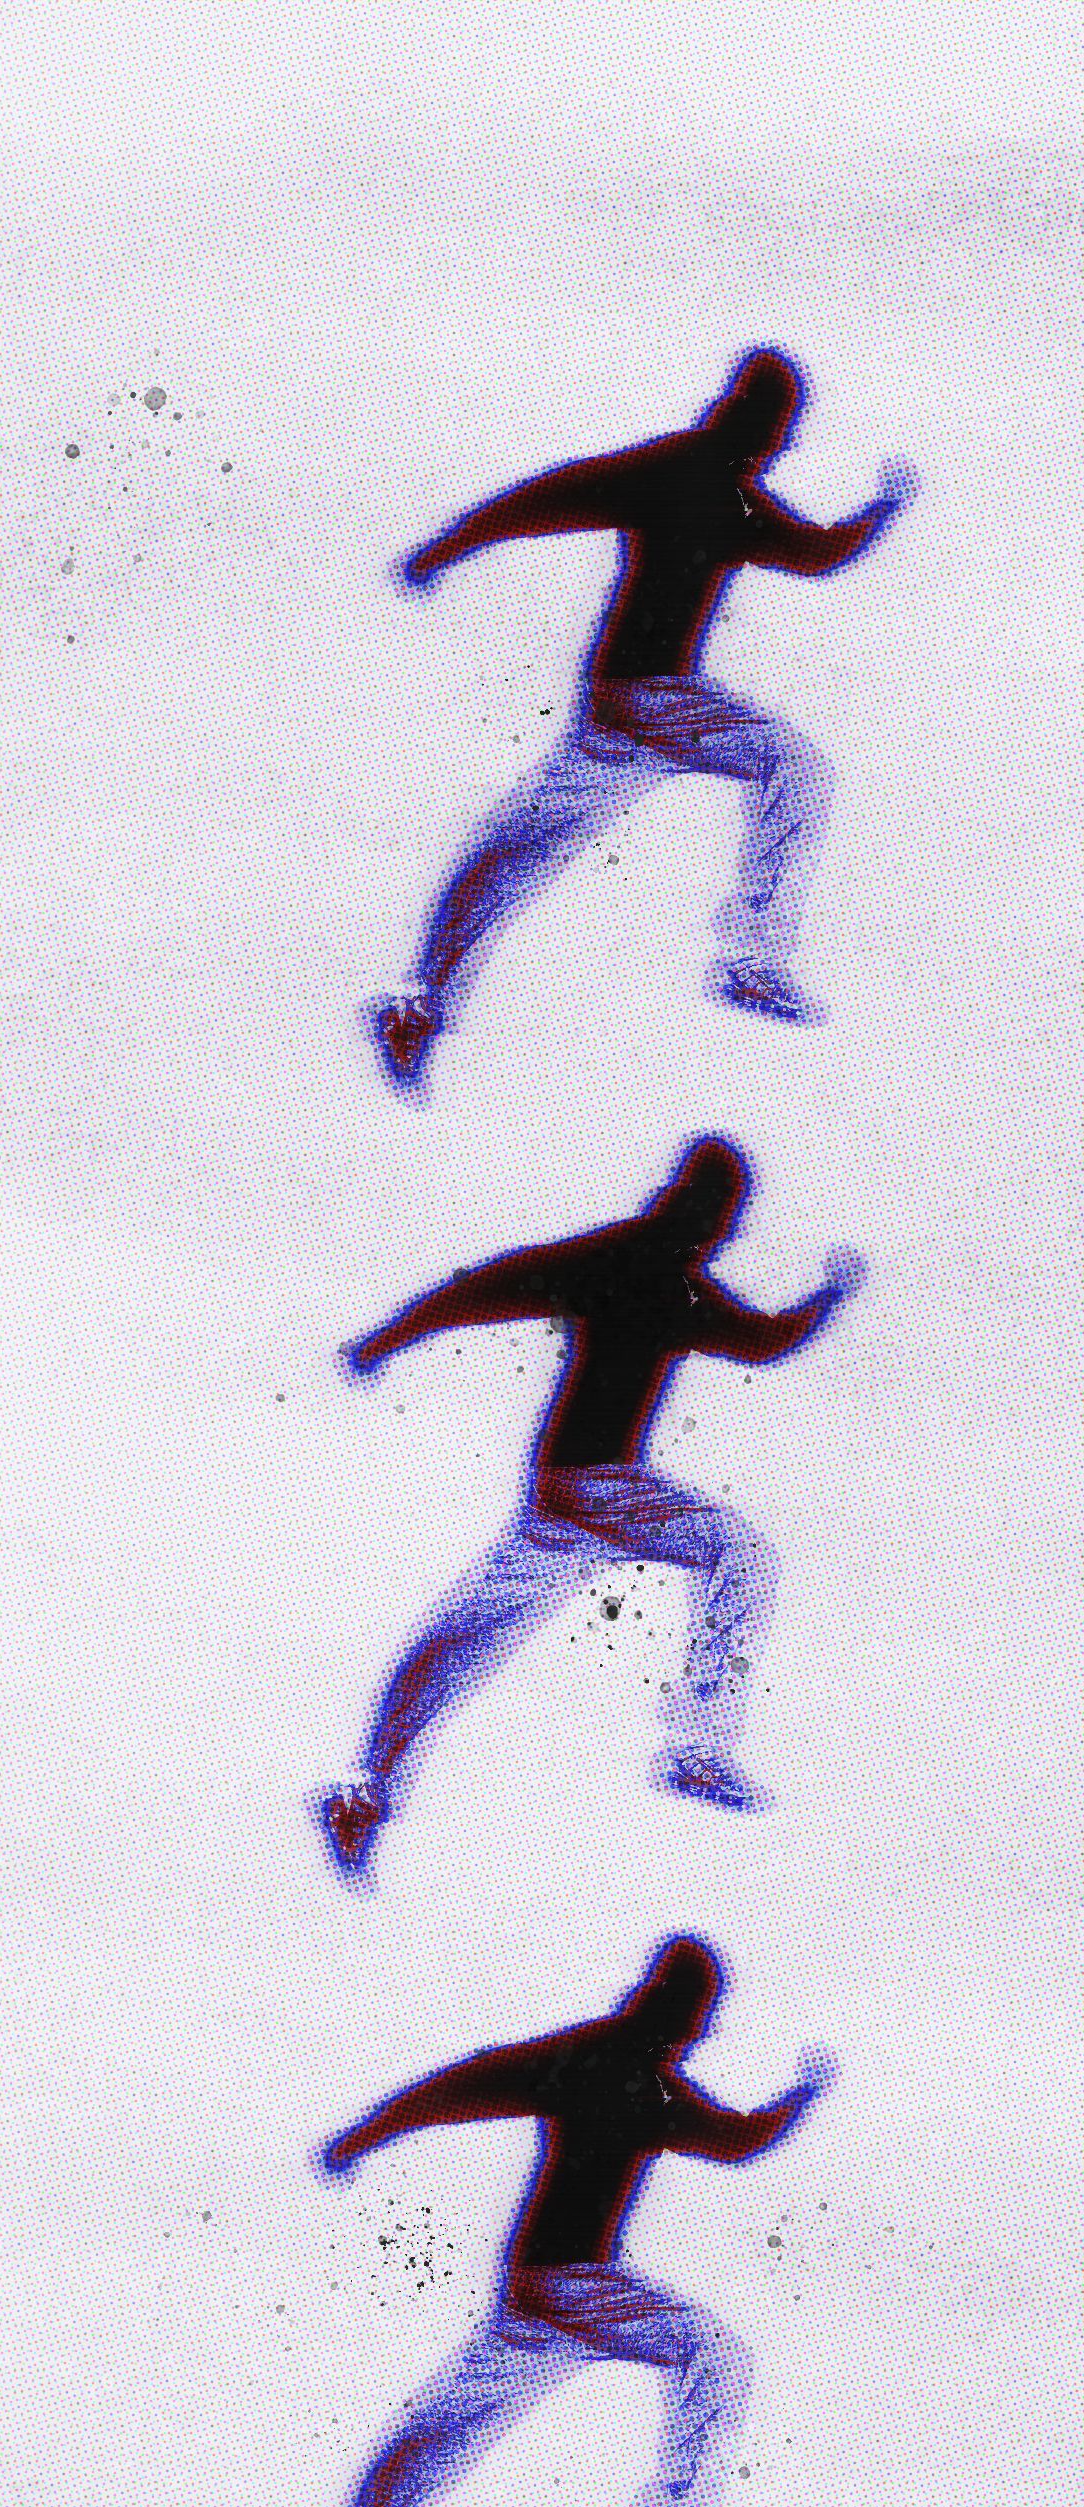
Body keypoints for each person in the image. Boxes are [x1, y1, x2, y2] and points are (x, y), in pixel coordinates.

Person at [289, 1935, 834, 2507]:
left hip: (532, 2300)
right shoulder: (641, 2081)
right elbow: (737, 2141)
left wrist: (365, 2134)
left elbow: (456, 2087)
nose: (705, 2033)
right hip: (573, 2285)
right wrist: (801, 2096)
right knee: (713, 2352)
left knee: (436, 2434)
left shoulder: (595, 2062)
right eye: (702, 2017)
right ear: (676, 2010)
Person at [368, 349, 915, 1096]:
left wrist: (446, 548)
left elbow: (538, 500)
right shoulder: (705, 484)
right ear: (754, 423)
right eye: (779, 434)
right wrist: (883, 508)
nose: (781, 450)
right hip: (654, 699)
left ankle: (419, 1005)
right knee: (793, 765)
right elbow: (816, 553)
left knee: (518, 846)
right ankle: (752, 961)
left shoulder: (708, 486)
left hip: (613, 718)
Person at [318, 1136, 859, 1881]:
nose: (727, 1238)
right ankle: (698, 1749)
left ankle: (365, 1791)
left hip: (559, 1503)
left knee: (463, 1638)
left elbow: (480, 1290)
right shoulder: (664, 1279)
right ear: (705, 1213)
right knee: (740, 1553)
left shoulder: (627, 1265)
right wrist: (831, 1294)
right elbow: (765, 1341)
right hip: (601, 1488)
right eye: (726, 1222)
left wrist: (387, 1339)